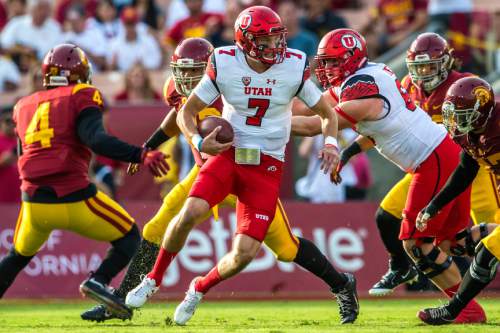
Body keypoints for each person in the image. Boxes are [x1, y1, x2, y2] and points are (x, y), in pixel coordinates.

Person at [82, 35, 358, 325]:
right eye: (183, 71)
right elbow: (177, 117)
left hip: (253, 168)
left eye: (195, 71)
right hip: (211, 169)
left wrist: (309, 132)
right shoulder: (184, 89)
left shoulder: (230, 87)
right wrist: (148, 147)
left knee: (286, 249)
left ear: (210, 69)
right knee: (156, 227)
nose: (187, 78)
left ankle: (341, 283)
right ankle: (123, 301)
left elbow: (278, 122)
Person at [292, 28, 490, 324]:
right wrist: (267, 99)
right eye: (325, 62)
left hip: (433, 158)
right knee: (453, 242)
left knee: (414, 243)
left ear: (350, 59)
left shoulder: (365, 90)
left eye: (333, 62)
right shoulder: (361, 78)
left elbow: (313, 124)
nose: (326, 68)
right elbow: (305, 107)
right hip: (439, 155)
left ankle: (466, 310)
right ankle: (472, 302)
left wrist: (260, 126)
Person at [0, 44, 169, 318]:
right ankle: (98, 280)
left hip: (33, 204)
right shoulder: (82, 94)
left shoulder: (22, 105)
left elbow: (24, 157)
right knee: (129, 237)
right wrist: (140, 154)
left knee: (16, 257)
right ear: (79, 73)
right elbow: (97, 140)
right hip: (74, 197)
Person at [365, 33, 499, 297]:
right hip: (432, 164)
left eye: (429, 66)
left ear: (446, 62)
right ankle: (401, 268)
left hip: (472, 164)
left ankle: (464, 294)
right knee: (387, 215)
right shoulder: (406, 86)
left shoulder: (464, 87)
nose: (423, 73)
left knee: (488, 230)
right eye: (419, 67)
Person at [415, 77, 500, 325]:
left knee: (486, 250)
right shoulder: (474, 133)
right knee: (486, 247)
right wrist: (434, 206)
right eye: (455, 114)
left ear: (481, 109)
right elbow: (465, 172)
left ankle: (453, 311)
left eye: (464, 114)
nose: (457, 121)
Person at [0, 106, 20, 202]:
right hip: (3, 199)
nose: (11, 124)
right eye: (8, 121)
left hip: (21, 198)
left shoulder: (22, 141)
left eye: (14, 121)